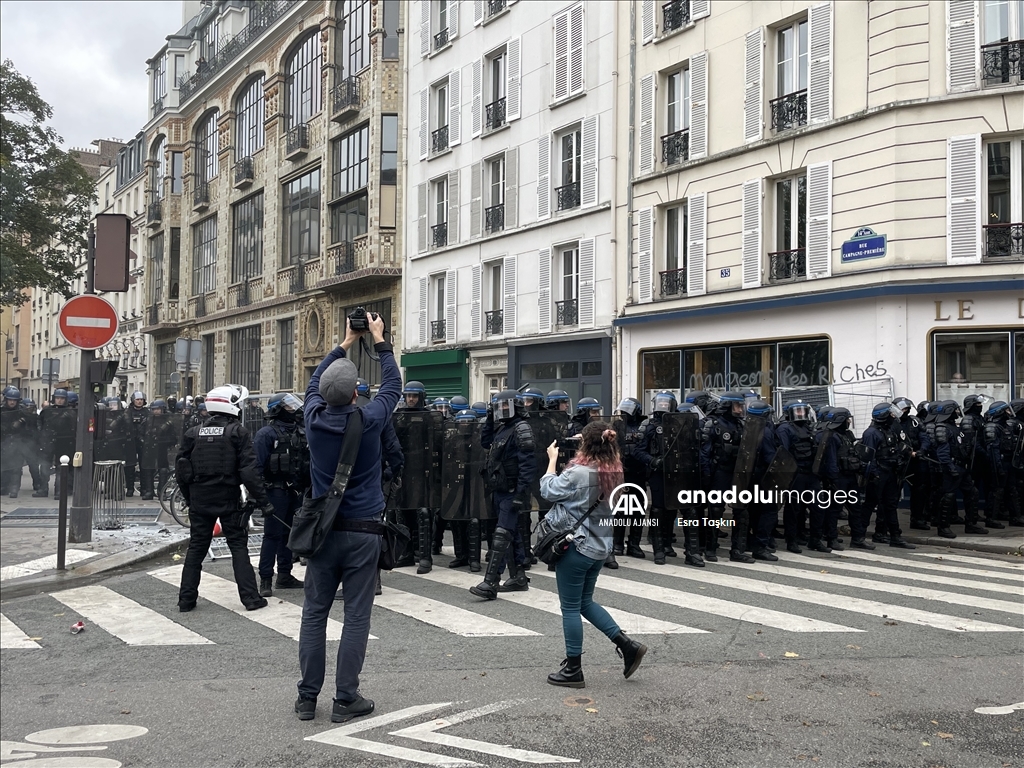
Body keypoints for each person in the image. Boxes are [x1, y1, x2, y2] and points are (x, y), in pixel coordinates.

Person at [296, 313, 398, 724]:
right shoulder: (370, 420)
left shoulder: (313, 418)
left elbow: (313, 382)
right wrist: (379, 340)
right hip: (363, 529)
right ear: (356, 393)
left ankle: (307, 698)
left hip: (323, 531)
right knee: (356, 615)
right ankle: (345, 697)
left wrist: (345, 341)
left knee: (314, 613)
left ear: (323, 394)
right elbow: (393, 386)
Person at [542, 421, 647, 688]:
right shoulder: (614, 470)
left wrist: (552, 460)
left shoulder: (578, 472)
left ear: (585, 444)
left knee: (570, 608)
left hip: (576, 547)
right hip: (600, 547)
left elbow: (548, 491)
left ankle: (573, 669)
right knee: (585, 602)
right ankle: (627, 645)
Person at [175, 384, 273, 613]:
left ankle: (186, 600)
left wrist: (190, 498)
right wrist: (264, 502)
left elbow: (181, 469)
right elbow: (249, 471)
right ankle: (251, 599)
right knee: (238, 547)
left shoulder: (193, 433)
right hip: (228, 498)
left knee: (196, 548)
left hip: (199, 498)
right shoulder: (237, 432)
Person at [469, 389, 536, 599]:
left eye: (505, 405)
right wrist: (490, 419)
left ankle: (491, 582)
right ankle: (518, 577)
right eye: (498, 406)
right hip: (499, 489)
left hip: (512, 490)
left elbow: (528, 465)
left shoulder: (521, 428)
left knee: (502, 534)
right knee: (510, 534)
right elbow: (485, 442)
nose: (502, 409)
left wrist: (520, 494)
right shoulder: (503, 428)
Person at [254, 393, 308, 597]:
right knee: (272, 535)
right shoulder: (266, 434)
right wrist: (260, 497)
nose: (294, 410)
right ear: (277, 410)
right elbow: (256, 467)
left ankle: (284, 575)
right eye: (289, 407)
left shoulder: (300, 431)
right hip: (275, 491)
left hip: (296, 491)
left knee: (290, 534)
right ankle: (266, 579)